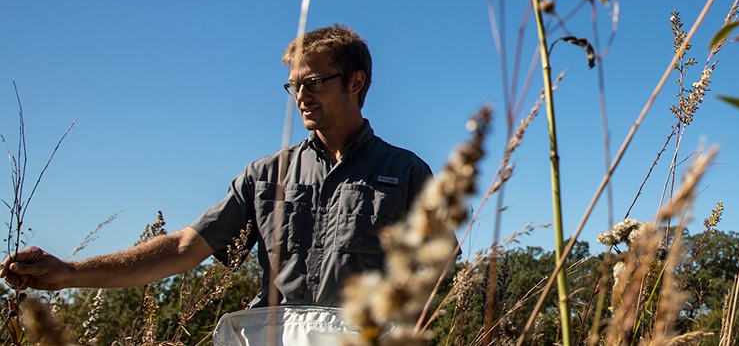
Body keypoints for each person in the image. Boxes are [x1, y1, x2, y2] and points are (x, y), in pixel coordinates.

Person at [1, 24, 433, 308]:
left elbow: (432, 277)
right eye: (294, 85)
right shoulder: (266, 176)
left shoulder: (407, 173)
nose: (301, 95)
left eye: (315, 82)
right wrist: (68, 273)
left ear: (356, 82)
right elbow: (184, 249)